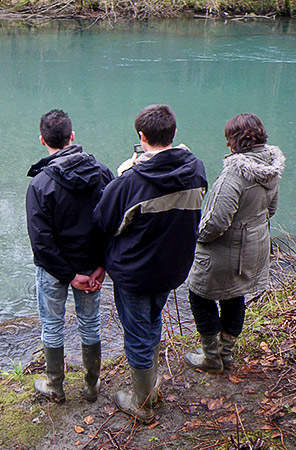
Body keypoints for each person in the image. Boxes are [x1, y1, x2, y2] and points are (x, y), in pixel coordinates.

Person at [93, 104, 207, 423]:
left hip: (135, 272)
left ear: (141, 137)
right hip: (173, 268)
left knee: (136, 330)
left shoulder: (131, 180)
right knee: (153, 320)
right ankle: (151, 384)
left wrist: (123, 174)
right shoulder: (196, 169)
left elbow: (103, 219)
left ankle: (142, 402)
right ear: (173, 133)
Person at [184, 113, 285, 374]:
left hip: (228, 250)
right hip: (256, 245)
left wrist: (197, 237)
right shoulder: (271, 169)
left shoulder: (234, 176)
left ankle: (211, 357)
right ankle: (226, 353)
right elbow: (270, 210)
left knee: (199, 294)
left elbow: (216, 223)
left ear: (233, 141)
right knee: (235, 294)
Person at [25, 109, 114, 403]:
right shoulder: (101, 172)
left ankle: (55, 386)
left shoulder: (40, 184)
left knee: (52, 325)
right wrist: (102, 263)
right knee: (90, 322)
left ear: (42, 141)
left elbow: (41, 241)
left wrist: (67, 275)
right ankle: (91, 385)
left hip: (54, 270)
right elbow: (111, 225)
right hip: (91, 266)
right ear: (72, 137)